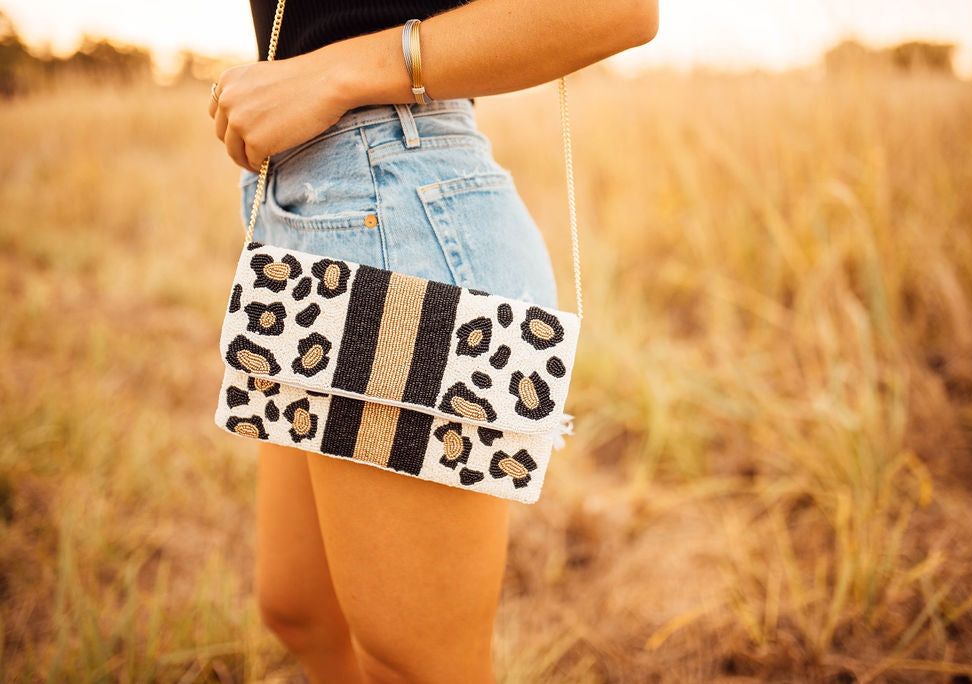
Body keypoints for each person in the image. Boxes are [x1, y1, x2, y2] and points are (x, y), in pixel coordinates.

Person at [208, 1, 658, 681]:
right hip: (306, 204)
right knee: (298, 608)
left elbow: (619, 9)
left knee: (416, 660)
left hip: (396, 209)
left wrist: (330, 75)